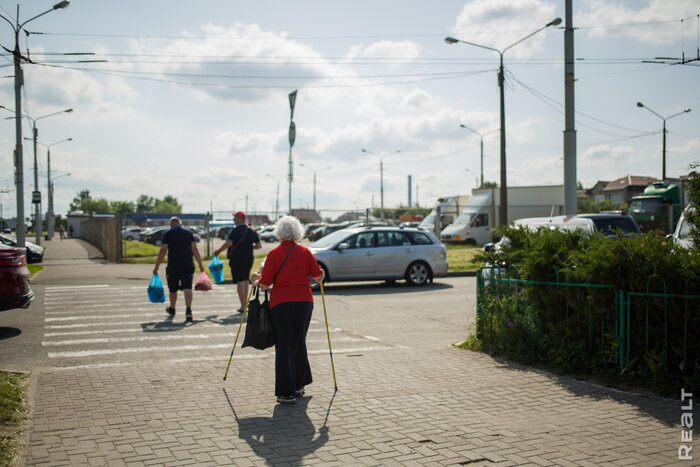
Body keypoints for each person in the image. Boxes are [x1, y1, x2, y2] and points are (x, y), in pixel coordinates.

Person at [251, 216, 325, 404]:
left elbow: (265, 284)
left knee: (284, 345)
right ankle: (299, 385)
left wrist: (255, 280)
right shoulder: (305, 251)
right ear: (297, 232)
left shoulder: (274, 254)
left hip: (281, 303)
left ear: (279, 233)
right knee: (299, 342)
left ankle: (286, 392)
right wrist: (321, 273)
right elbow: (318, 277)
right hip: (304, 302)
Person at [153, 216, 205, 323]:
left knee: (173, 289)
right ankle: (188, 310)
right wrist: (200, 264)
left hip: (173, 265)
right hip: (187, 264)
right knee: (187, 288)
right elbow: (194, 249)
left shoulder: (167, 234)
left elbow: (163, 250)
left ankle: (172, 308)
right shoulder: (189, 233)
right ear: (180, 223)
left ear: (171, 224)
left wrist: (157, 266)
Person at [213, 211, 261, 312]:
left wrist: (218, 251)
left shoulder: (235, 230)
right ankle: (245, 303)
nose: (234, 219)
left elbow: (228, 243)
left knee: (240, 281)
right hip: (249, 259)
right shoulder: (251, 231)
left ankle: (243, 306)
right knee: (245, 280)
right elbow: (258, 246)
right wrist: (249, 246)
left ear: (240, 219)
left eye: (235, 217)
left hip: (237, 258)